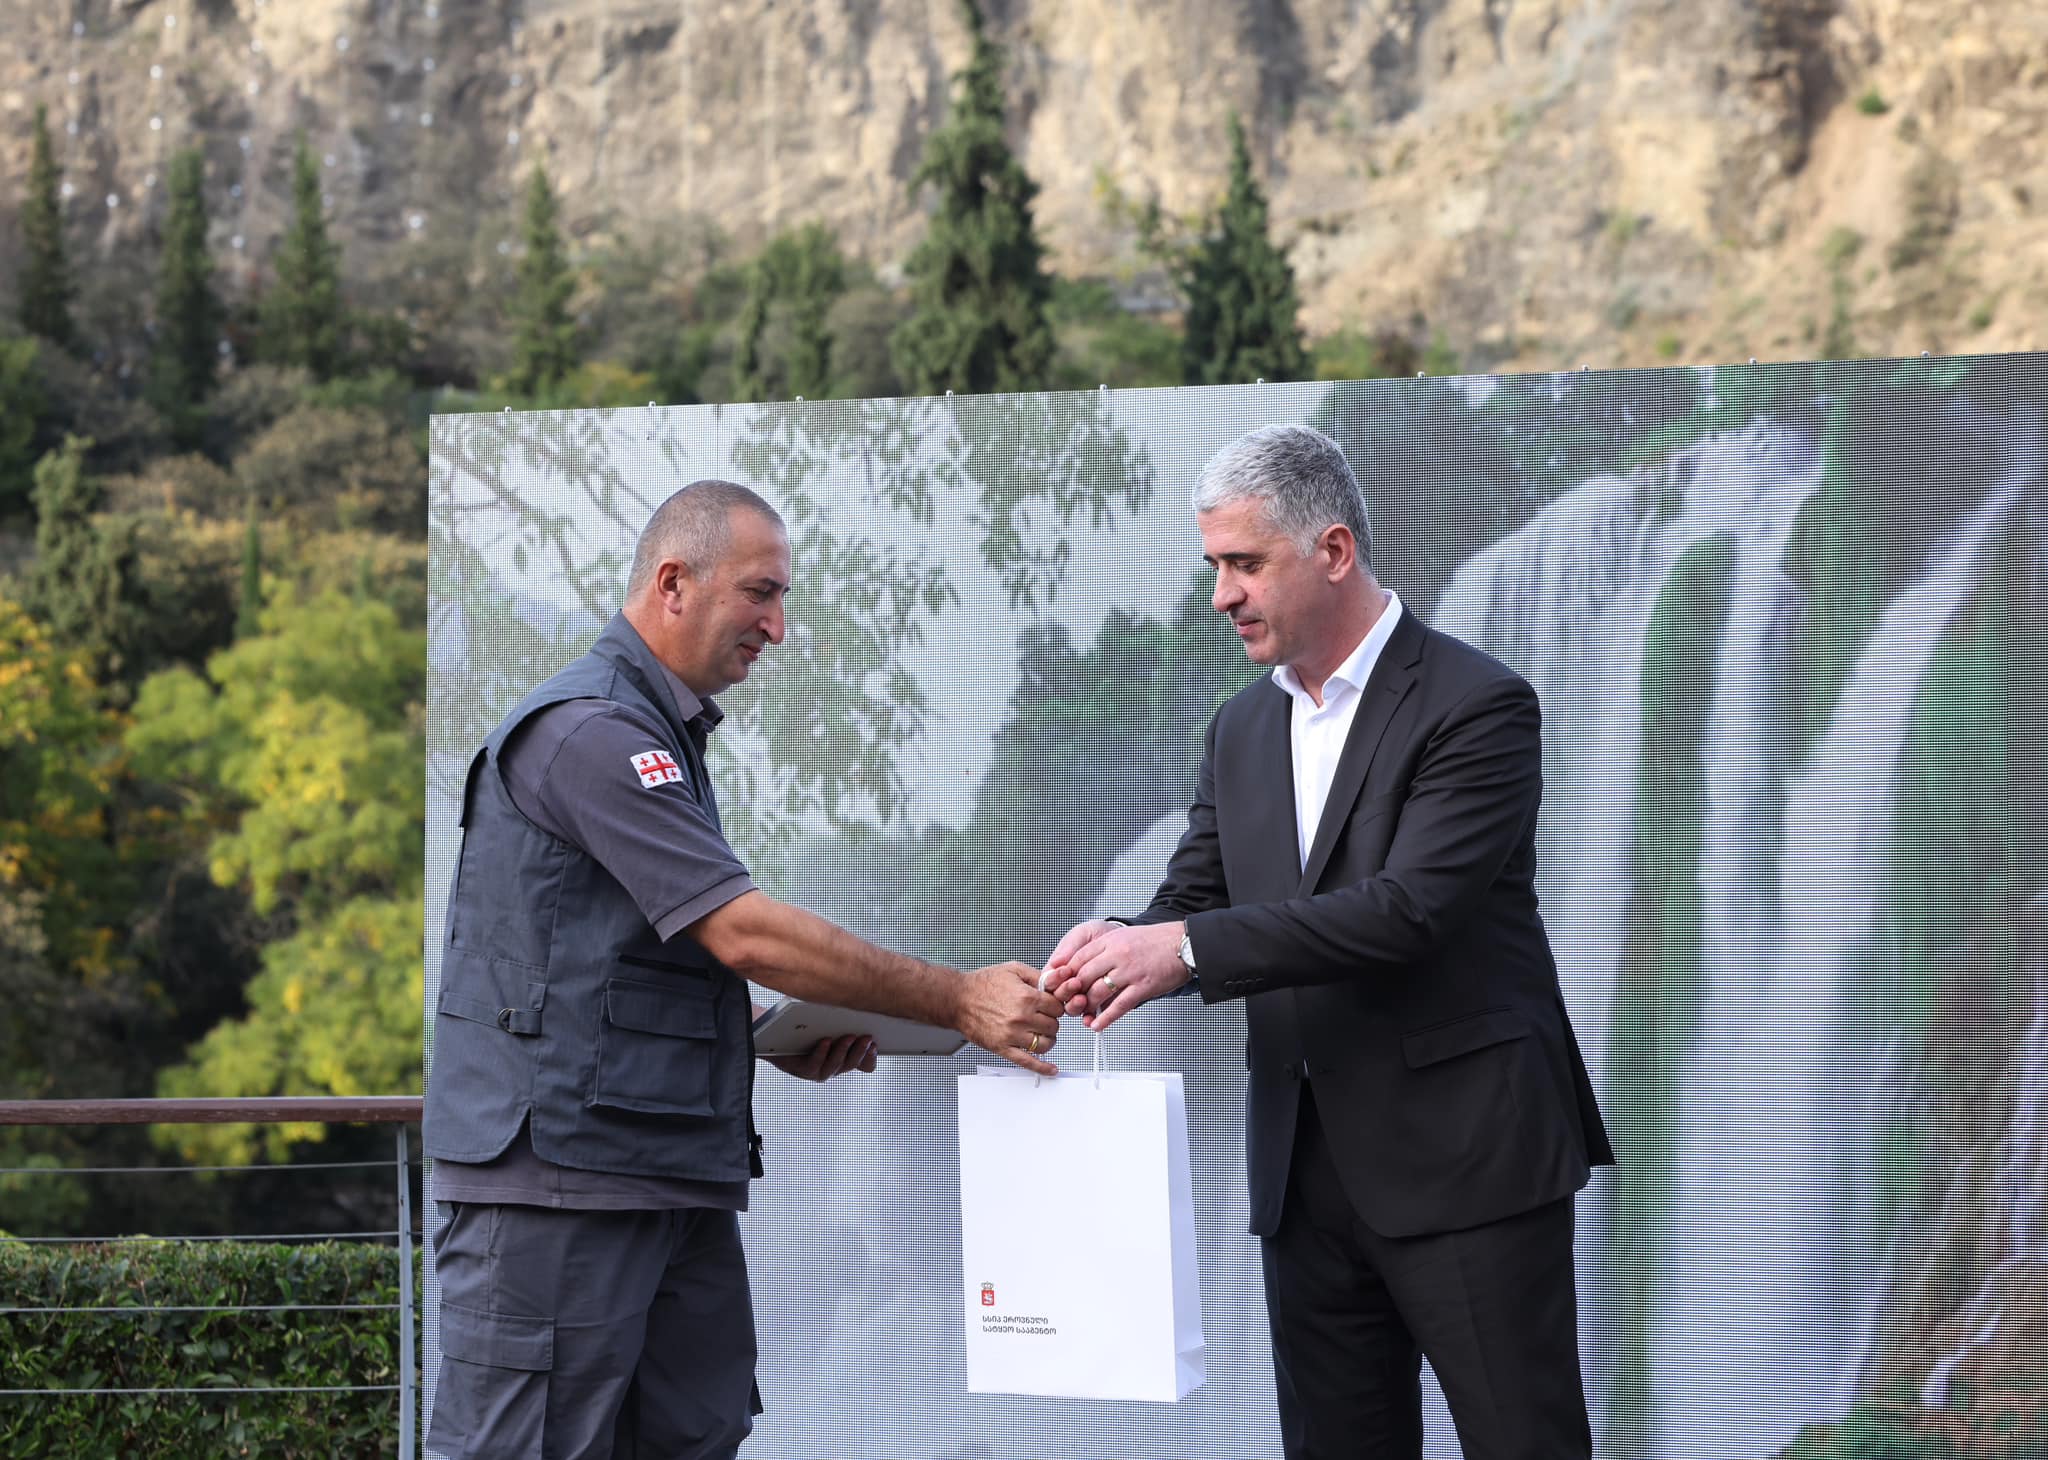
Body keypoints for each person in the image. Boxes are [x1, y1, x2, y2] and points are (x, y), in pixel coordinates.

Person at [424, 478, 1063, 1460]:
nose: (777, 626)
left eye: (782, 598)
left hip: (660, 1171)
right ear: (672, 582)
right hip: (561, 1185)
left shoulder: (653, 732)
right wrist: (958, 998)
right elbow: (745, 934)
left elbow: (617, 965)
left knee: (696, 1434)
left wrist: (761, 1037)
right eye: (760, 592)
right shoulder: (591, 731)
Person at [1046, 425, 1613, 1460]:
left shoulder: (1478, 703)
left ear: (1334, 550)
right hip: (1301, 1182)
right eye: (1213, 565)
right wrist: (1111, 944)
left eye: (1244, 563)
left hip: (1470, 1168)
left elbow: (1408, 910)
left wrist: (1179, 950)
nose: (1220, 595)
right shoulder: (1239, 729)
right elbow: (1191, 899)